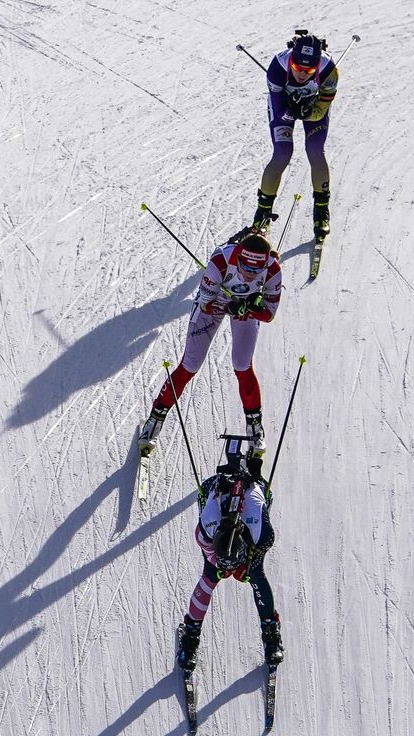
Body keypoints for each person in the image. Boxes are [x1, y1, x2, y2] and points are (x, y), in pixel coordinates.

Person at [137, 232, 282, 457]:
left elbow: (269, 315)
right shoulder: (221, 261)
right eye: (246, 268)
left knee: (242, 364)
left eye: (256, 271)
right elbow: (206, 306)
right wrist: (231, 307)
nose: (250, 276)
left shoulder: (272, 270)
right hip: (215, 303)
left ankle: (255, 426)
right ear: (239, 259)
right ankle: (155, 419)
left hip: (244, 309)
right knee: (191, 365)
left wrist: (251, 307)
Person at [175, 445, 284, 673]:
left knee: (255, 574)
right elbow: (211, 556)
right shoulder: (207, 527)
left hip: (252, 496)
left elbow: (257, 553)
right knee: (210, 576)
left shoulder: (261, 533)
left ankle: (271, 633)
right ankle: (191, 634)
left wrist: (247, 565)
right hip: (214, 491)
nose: (230, 571)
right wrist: (219, 566)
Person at [250, 31, 339, 241]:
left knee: (315, 151)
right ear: (291, 60)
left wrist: (309, 111)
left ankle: (321, 212)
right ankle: (262, 213)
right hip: (284, 106)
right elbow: (278, 105)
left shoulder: (329, 69)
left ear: (317, 66)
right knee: (282, 153)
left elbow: (325, 102)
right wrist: (293, 111)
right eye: (298, 68)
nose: (302, 74)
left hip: (313, 106)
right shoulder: (278, 67)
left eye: (309, 70)